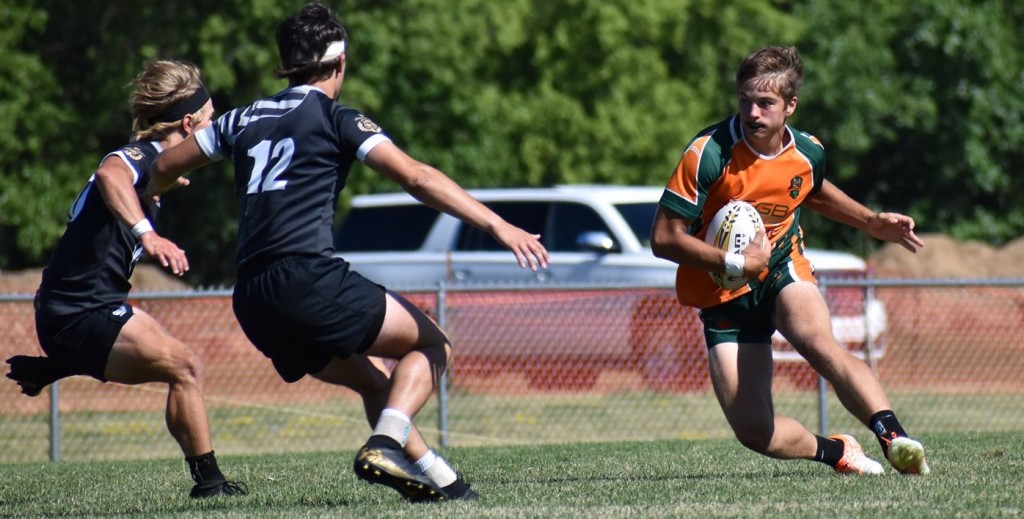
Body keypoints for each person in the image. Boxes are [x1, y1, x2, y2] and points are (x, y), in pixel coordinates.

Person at [147, 2, 550, 502]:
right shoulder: (338, 118)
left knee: (375, 382)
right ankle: (384, 442)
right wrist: (498, 225)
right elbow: (416, 177)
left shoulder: (240, 119)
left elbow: (162, 166)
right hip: (307, 278)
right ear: (339, 64)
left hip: (252, 296)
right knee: (433, 345)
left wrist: (159, 191)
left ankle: (448, 485)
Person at [650, 46, 930, 476]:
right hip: (721, 296)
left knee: (818, 343)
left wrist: (871, 221)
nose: (753, 112)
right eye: (745, 100)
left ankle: (895, 439)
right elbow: (664, 238)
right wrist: (735, 261)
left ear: (790, 106)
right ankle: (837, 451)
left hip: (782, 266)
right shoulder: (708, 153)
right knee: (755, 432)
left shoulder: (808, 150)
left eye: (766, 103)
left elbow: (811, 189)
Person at [4, 60, 247, 497]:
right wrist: (147, 235)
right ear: (189, 123)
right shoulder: (139, 156)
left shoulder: (155, 167)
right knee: (185, 366)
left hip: (76, 309)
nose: (211, 132)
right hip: (79, 311)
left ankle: (58, 365)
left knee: (177, 364)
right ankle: (210, 486)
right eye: (209, 123)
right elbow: (109, 175)